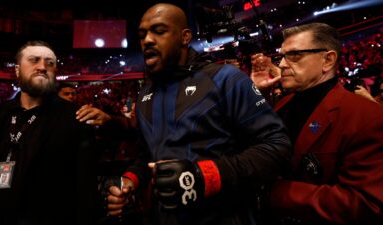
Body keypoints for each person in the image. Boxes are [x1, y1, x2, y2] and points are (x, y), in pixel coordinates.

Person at [106, 3, 292, 225]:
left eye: (159, 31)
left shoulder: (226, 79)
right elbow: (148, 156)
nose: (147, 40)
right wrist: (130, 181)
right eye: (142, 34)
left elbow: (277, 147)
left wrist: (205, 176)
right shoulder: (146, 92)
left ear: (185, 37)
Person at [250, 23, 383, 225]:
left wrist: (275, 192)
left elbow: (364, 204)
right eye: (283, 56)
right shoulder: (285, 102)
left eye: (294, 55)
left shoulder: (367, 117)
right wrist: (257, 92)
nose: (283, 64)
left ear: (328, 60)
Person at [0, 40, 99, 225]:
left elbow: (85, 189)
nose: (42, 67)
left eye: (49, 63)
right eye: (34, 60)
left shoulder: (77, 118)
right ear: (17, 70)